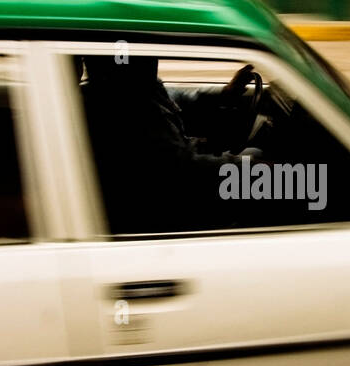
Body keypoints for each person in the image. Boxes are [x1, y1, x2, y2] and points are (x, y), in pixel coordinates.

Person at [80, 55, 260, 233]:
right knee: (265, 181)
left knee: (254, 155)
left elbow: (178, 100)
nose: (152, 58)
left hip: (171, 187)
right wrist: (258, 172)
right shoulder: (119, 105)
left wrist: (226, 93)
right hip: (160, 210)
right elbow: (186, 170)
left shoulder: (138, 88)